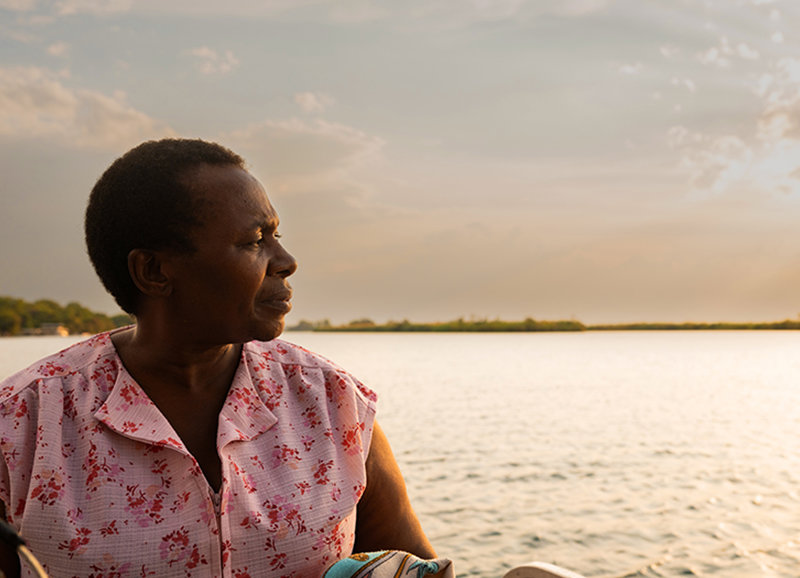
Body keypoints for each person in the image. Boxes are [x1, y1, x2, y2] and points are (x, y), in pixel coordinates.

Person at [0, 139, 443, 577]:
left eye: (276, 236)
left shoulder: (332, 403)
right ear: (154, 271)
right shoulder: (23, 423)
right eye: (254, 241)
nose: (286, 261)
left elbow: (415, 569)